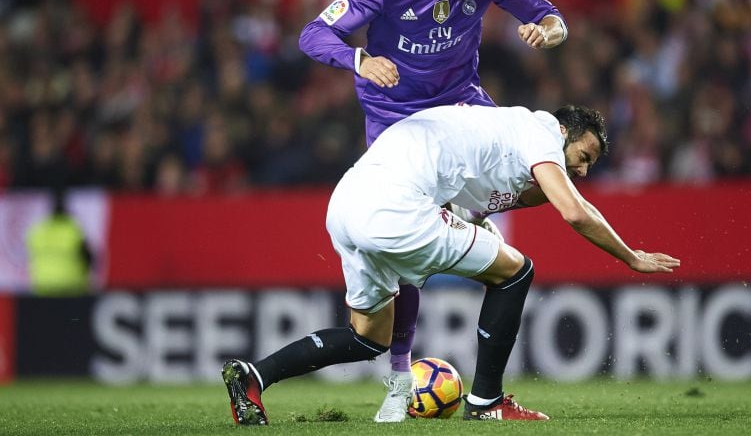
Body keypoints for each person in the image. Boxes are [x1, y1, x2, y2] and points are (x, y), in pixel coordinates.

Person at [221, 104, 680, 425]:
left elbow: (506, 196)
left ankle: (254, 377)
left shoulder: (501, 144)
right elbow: (575, 211)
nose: (582, 172)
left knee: (368, 338)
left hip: (346, 203)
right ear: (564, 132)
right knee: (516, 272)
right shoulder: (539, 130)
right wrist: (632, 257)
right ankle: (486, 402)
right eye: (583, 158)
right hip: (397, 206)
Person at [298, 0, 567, 421]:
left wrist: (548, 32)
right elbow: (313, 33)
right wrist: (360, 59)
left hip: (462, 105)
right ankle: (400, 379)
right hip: (396, 121)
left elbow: (551, 16)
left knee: (536, 162)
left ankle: (487, 388)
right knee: (404, 252)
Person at [26, 187, 93, 296]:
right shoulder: (72, 228)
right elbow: (89, 258)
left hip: (43, 287)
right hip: (71, 287)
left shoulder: (37, 230)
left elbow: (30, 256)